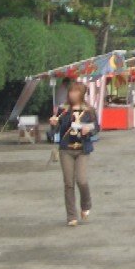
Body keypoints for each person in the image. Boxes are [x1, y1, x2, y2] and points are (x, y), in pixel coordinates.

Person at [49, 81, 100, 227]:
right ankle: (71, 215)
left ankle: (86, 204)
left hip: (82, 149)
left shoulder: (89, 111)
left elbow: (97, 127)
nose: (73, 94)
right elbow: (55, 131)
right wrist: (53, 124)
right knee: (68, 182)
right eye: (71, 91)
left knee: (82, 180)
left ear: (82, 94)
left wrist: (88, 129)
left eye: (76, 92)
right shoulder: (63, 110)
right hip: (66, 149)